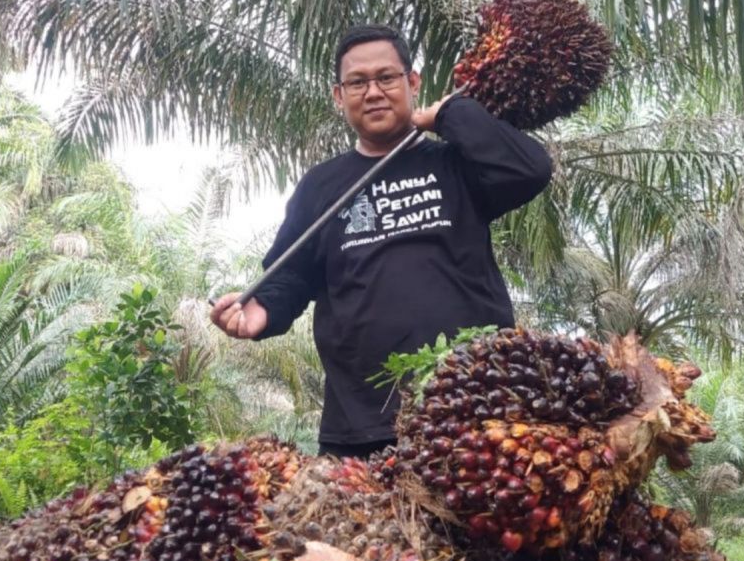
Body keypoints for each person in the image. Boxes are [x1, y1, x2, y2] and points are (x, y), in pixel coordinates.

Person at [210, 24, 553, 459]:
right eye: (357, 82)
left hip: (479, 408)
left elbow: (530, 169)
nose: (373, 92)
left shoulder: (456, 165)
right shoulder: (320, 186)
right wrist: (261, 310)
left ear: (413, 83)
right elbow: (291, 275)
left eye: (387, 78)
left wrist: (451, 116)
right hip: (363, 425)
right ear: (339, 96)